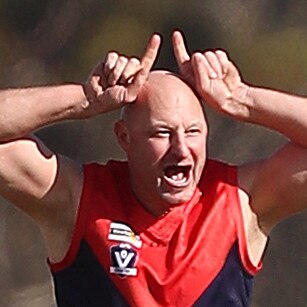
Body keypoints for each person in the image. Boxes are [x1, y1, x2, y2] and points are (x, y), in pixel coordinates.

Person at [0, 30, 306, 306]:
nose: (182, 148)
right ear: (124, 137)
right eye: (162, 133)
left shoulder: (241, 202)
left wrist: (243, 99)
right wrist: (84, 99)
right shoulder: (76, 200)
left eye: (193, 132)